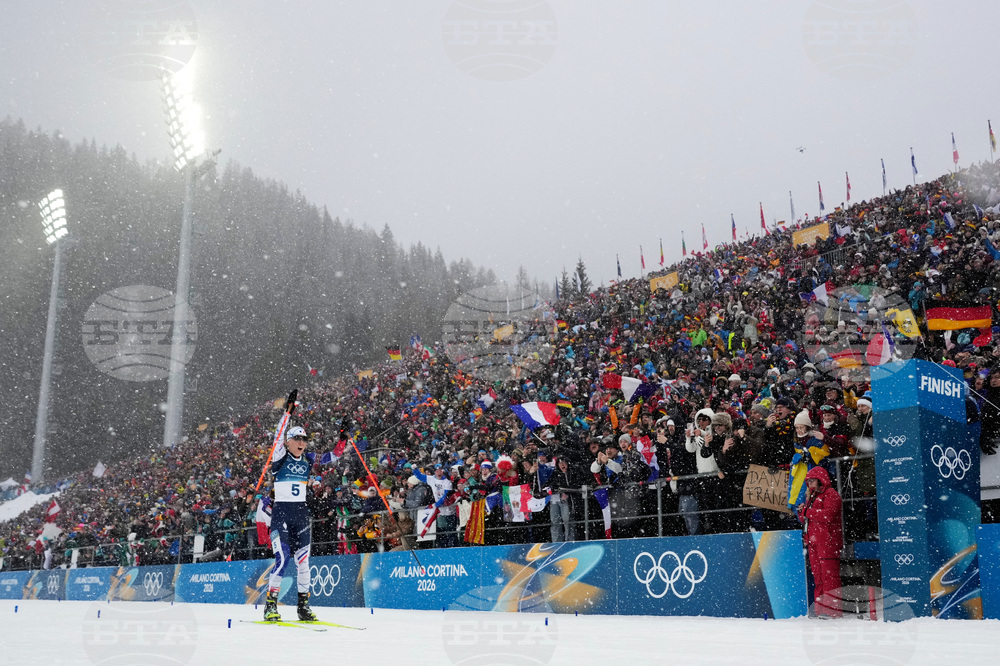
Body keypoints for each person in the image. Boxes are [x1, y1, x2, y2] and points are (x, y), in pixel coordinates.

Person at [263, 425, 340, 622]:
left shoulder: (308, 459)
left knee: (303, 563)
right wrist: (288, 413)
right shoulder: (280, 457)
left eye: (304, 439)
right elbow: (278, 435)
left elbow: (334, 455)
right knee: (282, 560)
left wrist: (343, 439)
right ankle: (270, 606)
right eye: (297, 439)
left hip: (301, 515)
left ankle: (303, 607)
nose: (301, 443)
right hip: (281, 515)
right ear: (288, 441)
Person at [797, 466, 843, 618]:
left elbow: (828, 515)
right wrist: (802, 512)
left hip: (827, 542)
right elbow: (806, 519)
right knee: (818, 576)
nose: (809, 484)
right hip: (814, 542)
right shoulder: (812, 497)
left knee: (829, 577)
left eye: (812, 480)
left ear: (820, 480)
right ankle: (820, 610)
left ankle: (832, 611)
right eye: (808, 481)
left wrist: (807, 511)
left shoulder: (831, 494)